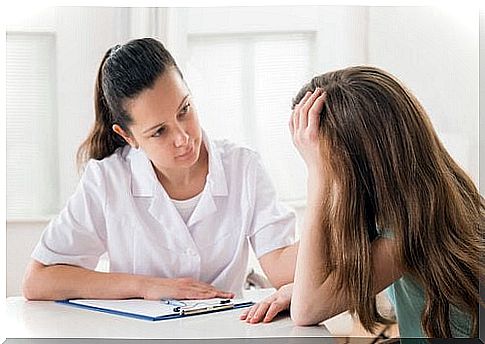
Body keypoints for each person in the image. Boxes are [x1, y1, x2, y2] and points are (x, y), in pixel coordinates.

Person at [22, 38, 298, 301]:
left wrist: (327, 183)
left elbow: (281, 270)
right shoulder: (107, 180)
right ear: (128, 136)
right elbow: (39, 280)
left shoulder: (243, 167)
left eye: (184, 110)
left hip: (224, 330)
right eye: (159, 132)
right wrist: (145, 286)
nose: (183, 137)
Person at [240, 66, 483, 338]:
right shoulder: (427, 199)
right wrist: (294, 289)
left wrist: (316, 178)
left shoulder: (412, 229)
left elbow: (307, 310)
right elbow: (293, 273)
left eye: (320, 156)